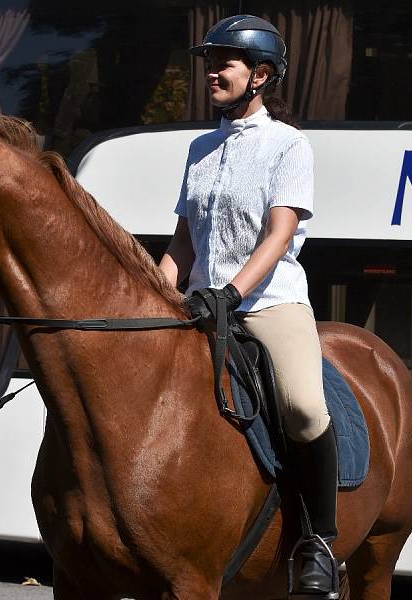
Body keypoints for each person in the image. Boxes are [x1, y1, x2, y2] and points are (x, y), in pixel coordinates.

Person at [159, 15, 338, 599]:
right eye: (209, 61)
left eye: (224, 63)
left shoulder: (290, 145)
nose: (211, 72)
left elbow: (279, 234)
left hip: (267, 303)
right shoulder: (199, 147)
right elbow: (183, 242)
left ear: (260, 75)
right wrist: (160, 296)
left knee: (306, 409)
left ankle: (320, 542)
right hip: (201, 303)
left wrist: (234, 292)